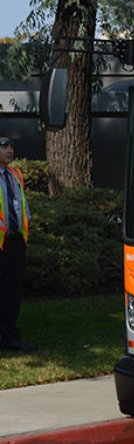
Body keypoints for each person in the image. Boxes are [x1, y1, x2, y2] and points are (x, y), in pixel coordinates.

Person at [0, 135, 34, 351]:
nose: (10, 150)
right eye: (4, 146)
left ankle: (9, 335)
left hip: (15, 242)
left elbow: (21, 204)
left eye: (11, 145)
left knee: (12, 291)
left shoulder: (15, 174)